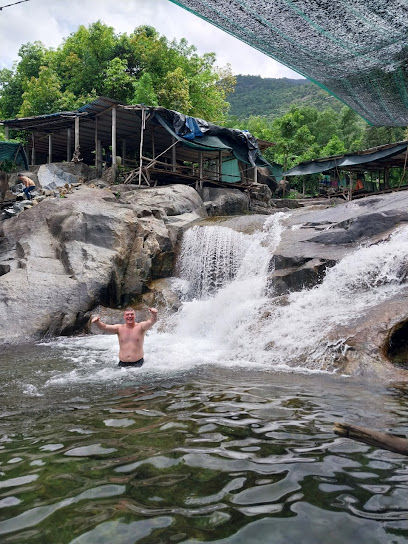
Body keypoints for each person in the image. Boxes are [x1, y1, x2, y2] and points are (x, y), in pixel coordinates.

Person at [92, 307, 158, 368]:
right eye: (127, 314)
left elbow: (152, 321)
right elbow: (105, 327)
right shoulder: (119, 328)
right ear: (124, 316)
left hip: (138, 364)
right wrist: (97, 322)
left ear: (135, 316)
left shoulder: (141, 327)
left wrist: (154, 314)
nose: (130, 316)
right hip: (122, 364)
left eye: (132, 314)